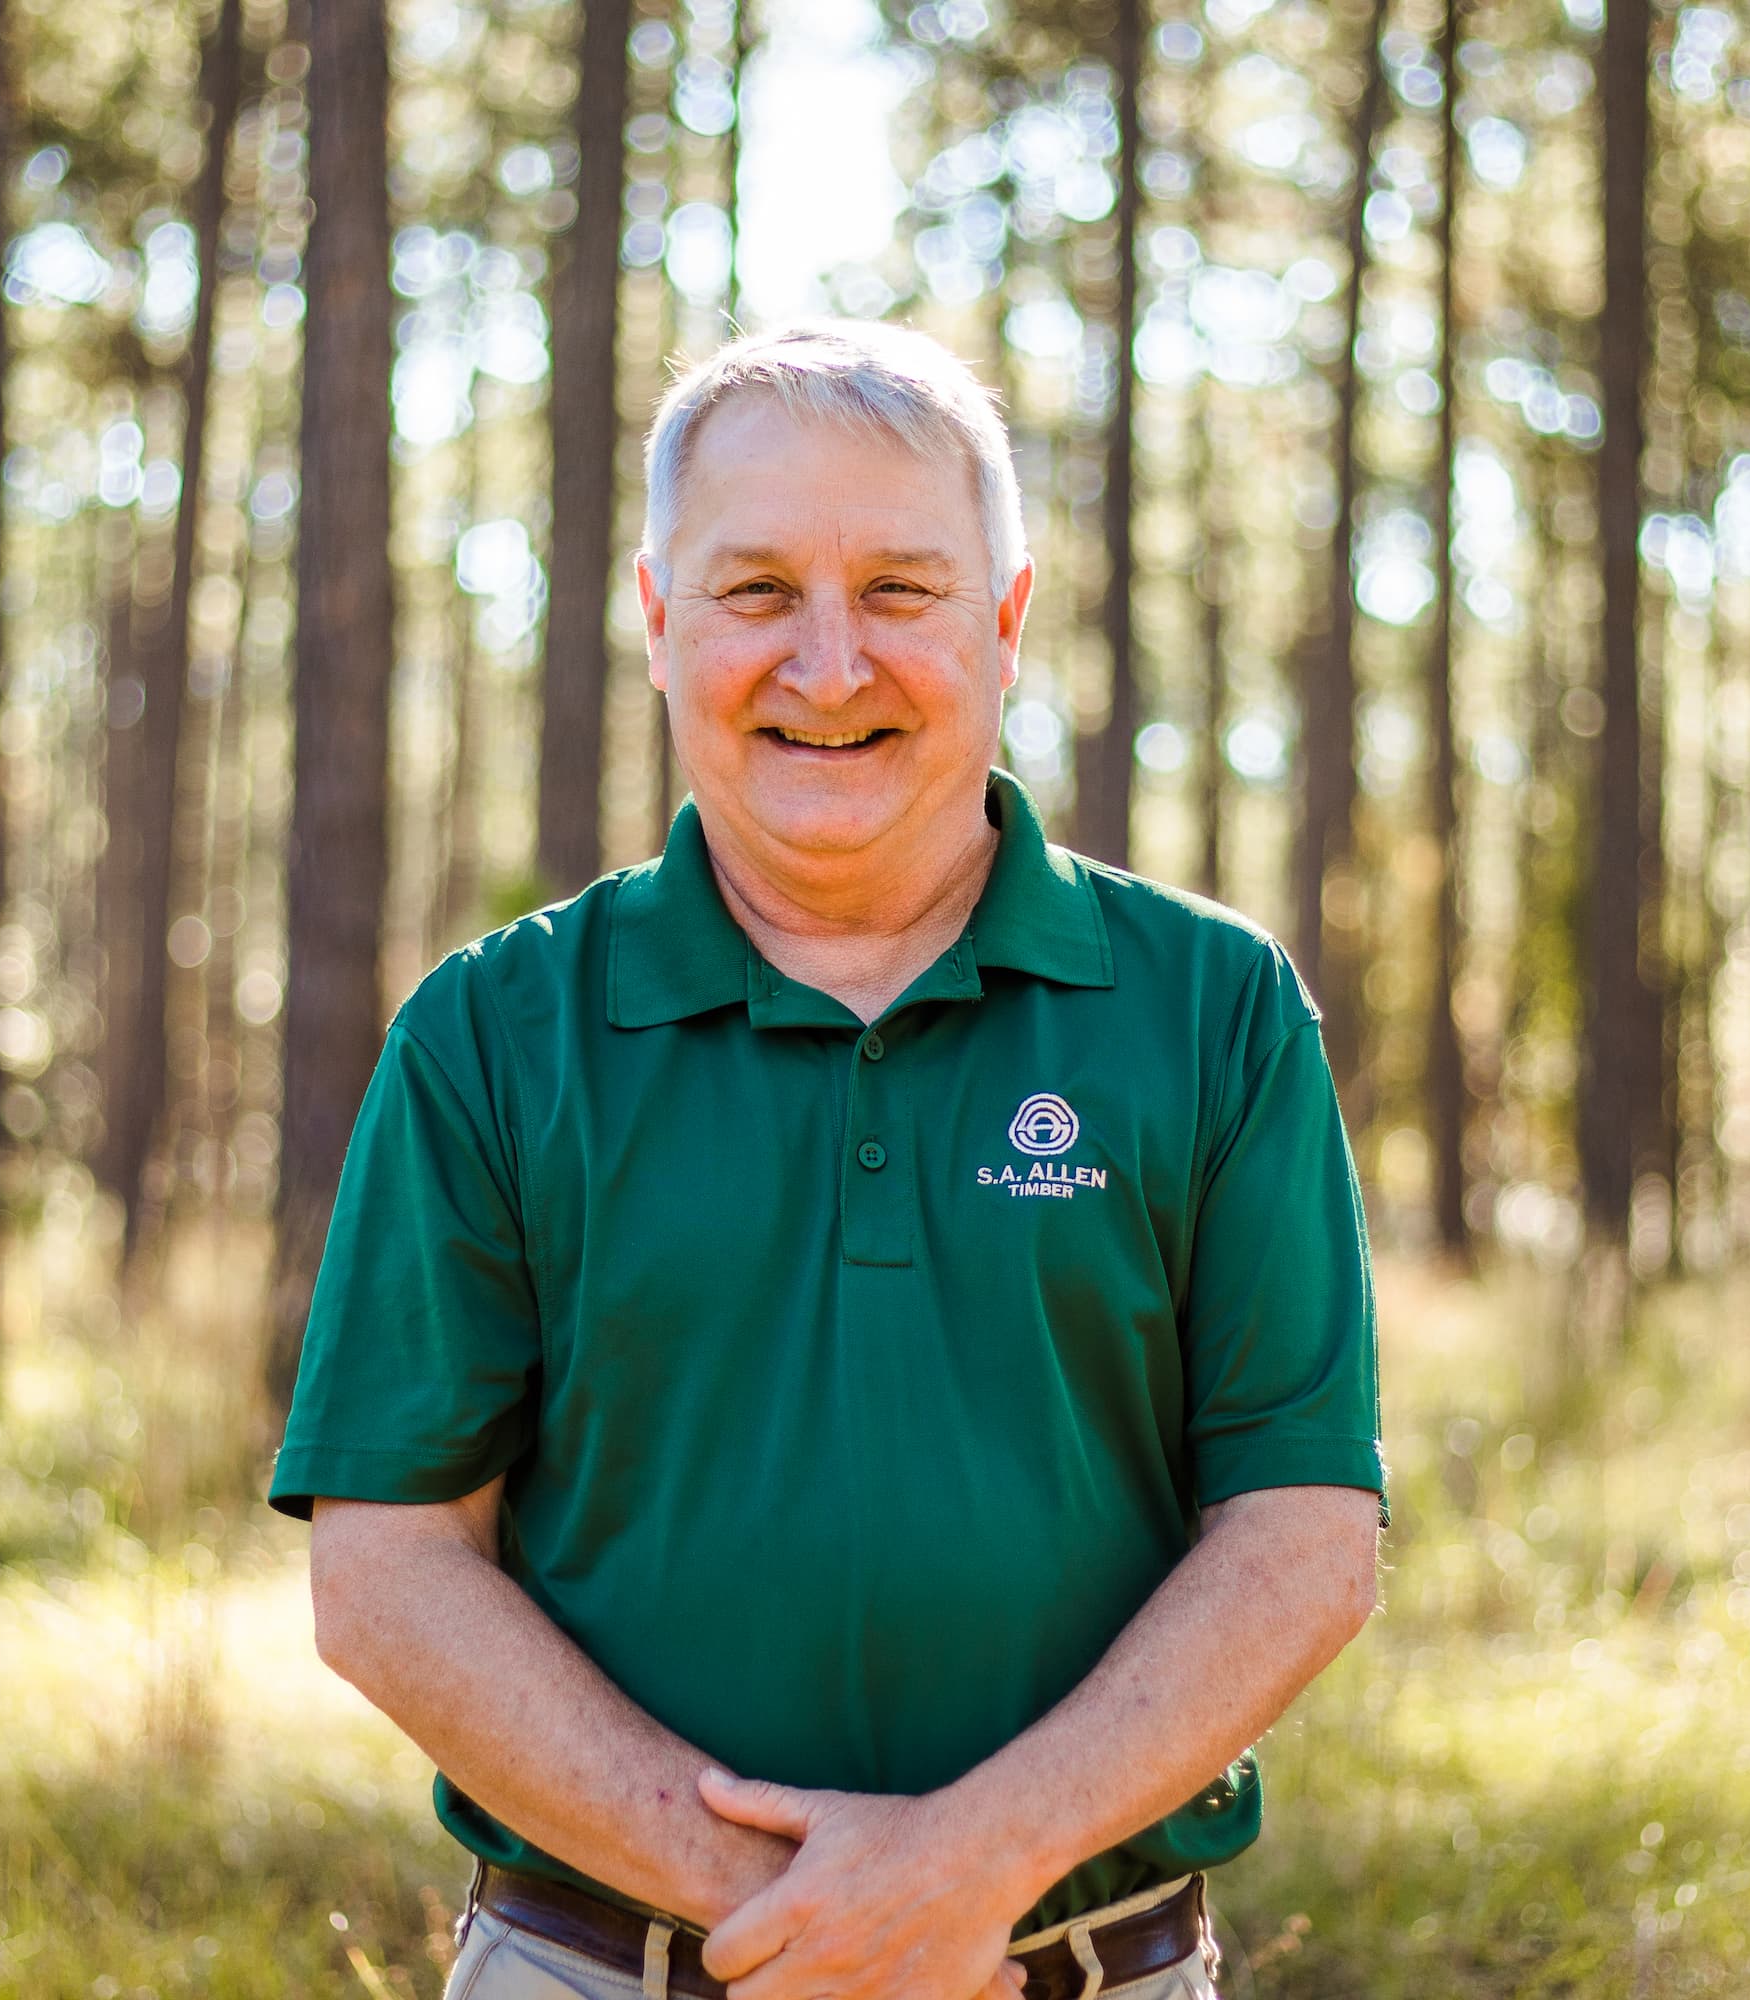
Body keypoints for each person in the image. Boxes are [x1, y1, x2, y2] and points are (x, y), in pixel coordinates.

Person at [269, 320, 1386, 2000]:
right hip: (594, 1967)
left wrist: (975, 1863)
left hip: (1080, 1967)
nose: (830, 664)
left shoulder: (1216, 1013)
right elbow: (386, 1568)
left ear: (1004, 627)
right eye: (758, 591)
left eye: (902, 591)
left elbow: (1304, 1535)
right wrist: (823, 1919)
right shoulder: (493, 1035)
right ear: (660, 620)